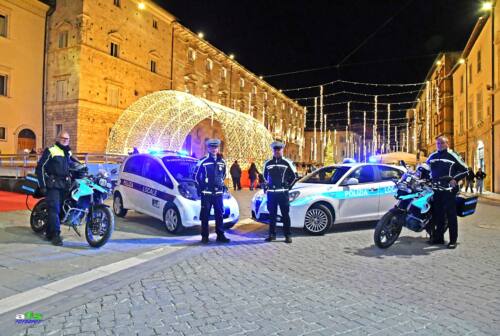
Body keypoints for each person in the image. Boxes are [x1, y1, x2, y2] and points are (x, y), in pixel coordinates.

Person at [35, 131, 78, 246]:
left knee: (61, 210)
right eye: (63, 138)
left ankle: (49, 232)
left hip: (65, 185)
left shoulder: (68, 152)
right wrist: (43, 185)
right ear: (58, 138)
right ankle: (55, 235)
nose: (65, 140)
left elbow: (72, 164)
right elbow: (40, 168)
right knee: (54, 209)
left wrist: (82, 167)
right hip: (53, 184)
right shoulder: (51, 150)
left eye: (67, 139)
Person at [426, 136, 468, 249]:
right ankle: (439, 238)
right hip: (436, 191)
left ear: (447, 143)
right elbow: (426, 168)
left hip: (448, 192)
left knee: (451, 216)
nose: (439, 145)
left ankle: (453, 240)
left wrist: (455, 179)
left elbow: (465, 169)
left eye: (441, 143)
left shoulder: (453, 155)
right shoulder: (433, 156)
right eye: (437, 143)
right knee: (438, 215)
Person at [194, 139, 230, 244]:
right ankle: (205, 237)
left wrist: (220, 184)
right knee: (205, 216)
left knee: (219, 214)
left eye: (215, 147)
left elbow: (223, 175)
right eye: (212, 147)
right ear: (208, 148)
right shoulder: (203, 161)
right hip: (207, 194)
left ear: (218, 148)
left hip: (218, 194)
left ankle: (220, 235)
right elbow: (195, 177)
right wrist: (201, 188)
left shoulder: (222, 162)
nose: (214, 149)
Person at [263, 141, 298, 243]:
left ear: (282, 150)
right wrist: (267, 185)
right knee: (272, 215)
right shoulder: (268, 163)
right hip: (272, 194)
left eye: (279, 150)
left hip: (283, 193)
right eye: (275, 150)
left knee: (285, 215)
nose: (277, 151)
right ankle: (272, 235)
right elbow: (264, 176)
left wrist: (288, 186)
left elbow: (294, 177)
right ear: (273, 151)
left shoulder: (287, 163)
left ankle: (287, 235)